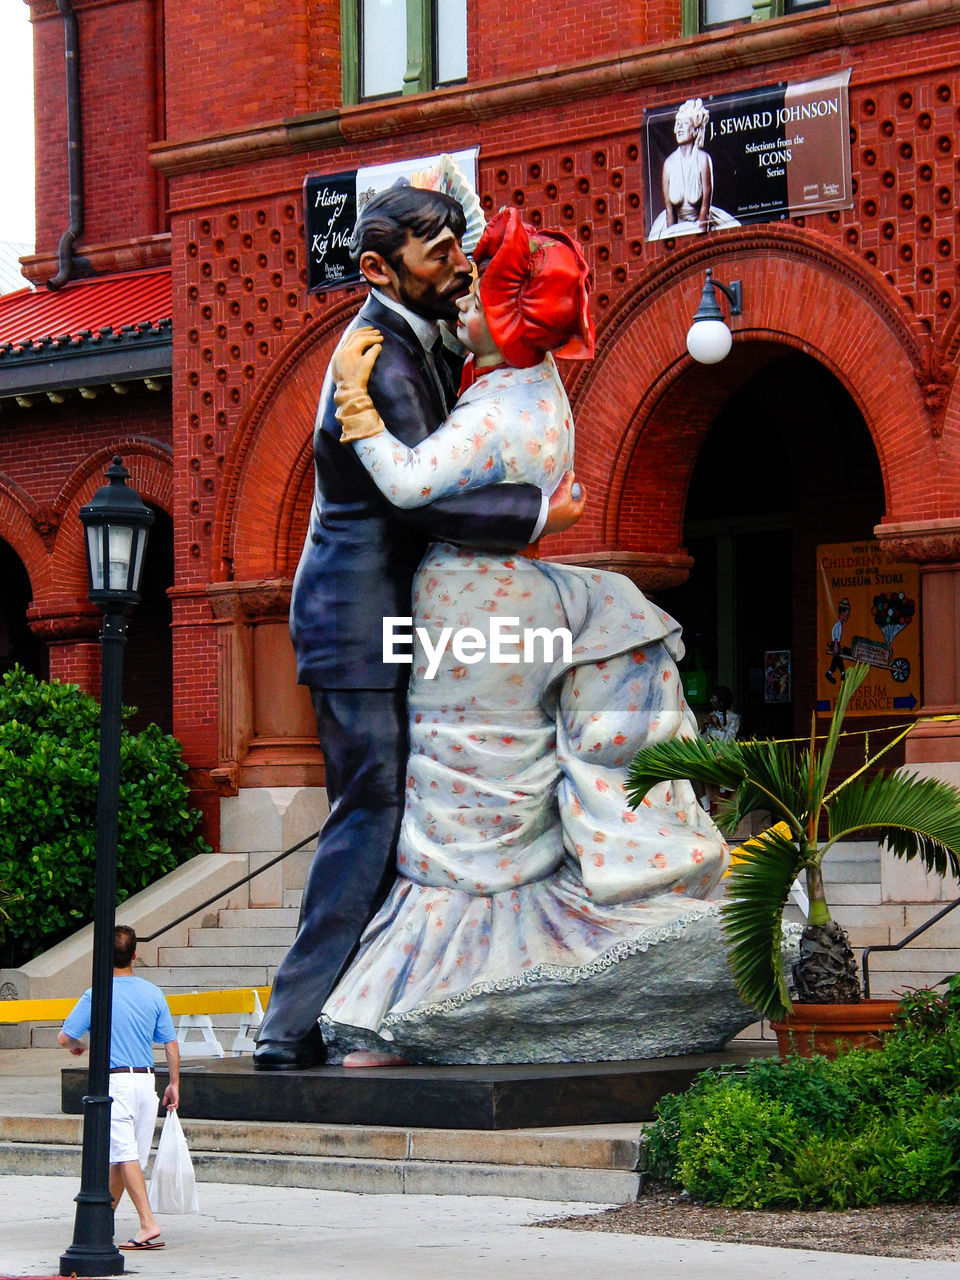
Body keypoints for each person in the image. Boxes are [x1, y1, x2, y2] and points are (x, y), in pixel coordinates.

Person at [317, 209, 732, 1064]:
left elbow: (406, 483)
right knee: (499, 799)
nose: (462, 299)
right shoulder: (540, 388)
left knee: (455, 807)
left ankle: (421, 1003)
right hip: (516, 602)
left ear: (502, 321)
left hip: (467, 612)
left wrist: (357, 409)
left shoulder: (495, 411)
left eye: (478, 293)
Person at [253, 184, 586, 1070]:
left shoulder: (425, 339)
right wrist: (537, 515)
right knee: (371, 808)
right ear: (377, 269)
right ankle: (292, 1024)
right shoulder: (379, 361)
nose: (460, 265)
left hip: (410, 616)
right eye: (439, 253)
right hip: (357, 619)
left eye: (458, 246)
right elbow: (425, 506)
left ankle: (379, 1005)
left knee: (405, 809)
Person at [58, 925, 179, 1251]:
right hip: (146, 1081)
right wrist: (175, 1083)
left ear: (102, 957)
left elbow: (65, 1036)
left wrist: (78, 1046)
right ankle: (104, 1222)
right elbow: (170, 1043)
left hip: (116, 1083)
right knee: (127, 1160)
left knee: (124, 1155)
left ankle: (147, 1223)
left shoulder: (97, 993)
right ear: (135, 954)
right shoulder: (152, 992)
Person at [648, 99, 740, 240]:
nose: (679, 128)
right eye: (678, 124)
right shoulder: (669, 164)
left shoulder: (703, 160)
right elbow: (670, 212)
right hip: (676, 225)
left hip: (701, 223)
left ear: (696, 130)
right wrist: (673, 237)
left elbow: (705, 208)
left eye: (684, 124)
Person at [825, 597, 851, 684]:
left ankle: (832, 673)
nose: (847, 615)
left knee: (838, 657)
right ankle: (841, 673)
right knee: (838, 656)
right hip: (835, 644)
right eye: (847, 613)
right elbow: (836, 639)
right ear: (842, 612)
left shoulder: (839, 625)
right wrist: (836, 647)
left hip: (837, 644)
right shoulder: (838, 626)